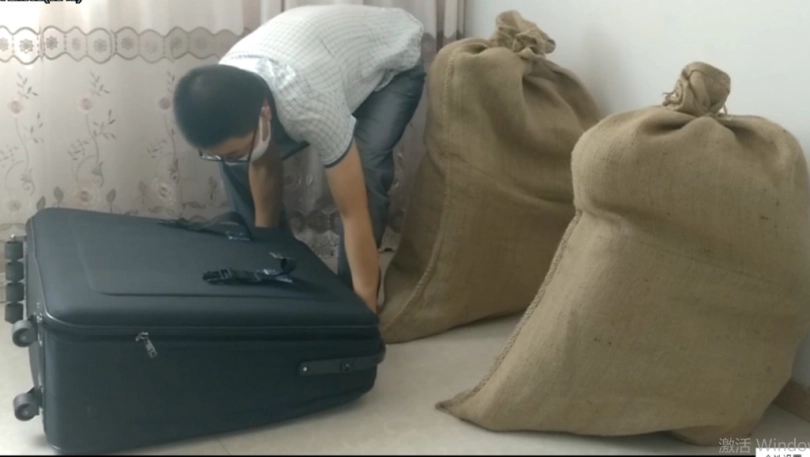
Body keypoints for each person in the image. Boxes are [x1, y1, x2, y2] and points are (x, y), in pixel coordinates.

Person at [172, 5, 426, 313]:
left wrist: (364, 315)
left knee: (365, 170)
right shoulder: (226, 85)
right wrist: (267, 253)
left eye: (236, 150)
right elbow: (261, 163)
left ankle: (354, 301)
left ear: (265, 114)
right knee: (238, 165)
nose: (229, 158)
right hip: (327, 61)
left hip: (391, 65)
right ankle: (278, 272)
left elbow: (353, 213)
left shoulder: (309, 104)